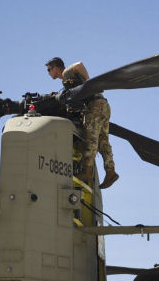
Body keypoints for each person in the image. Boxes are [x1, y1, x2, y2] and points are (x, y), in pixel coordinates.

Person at [46, 57, 118, 189]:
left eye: (49, 69)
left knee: (91, 139)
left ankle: (86, 171)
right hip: (103, 104)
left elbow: (79, 65)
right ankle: (110, 171)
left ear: (56, 68)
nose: (48, 73)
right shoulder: (66, 81)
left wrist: (89, 84)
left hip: (95, 105)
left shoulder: (67, 73)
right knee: (103, 140)